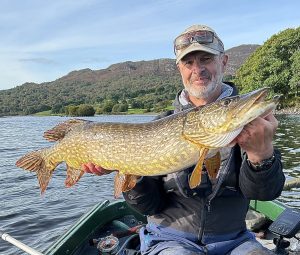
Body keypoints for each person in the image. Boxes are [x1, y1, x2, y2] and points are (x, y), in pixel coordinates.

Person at [83, 24, 285, 255]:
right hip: (169, 239)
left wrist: (261, 155)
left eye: (206, 59)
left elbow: (264, 194)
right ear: (180, 68)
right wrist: (132, 173)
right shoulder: (158, 124)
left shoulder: (247, 124)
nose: (197, 69)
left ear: (224, 61)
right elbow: (149, 206)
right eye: (188, 63)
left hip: (235, 240)